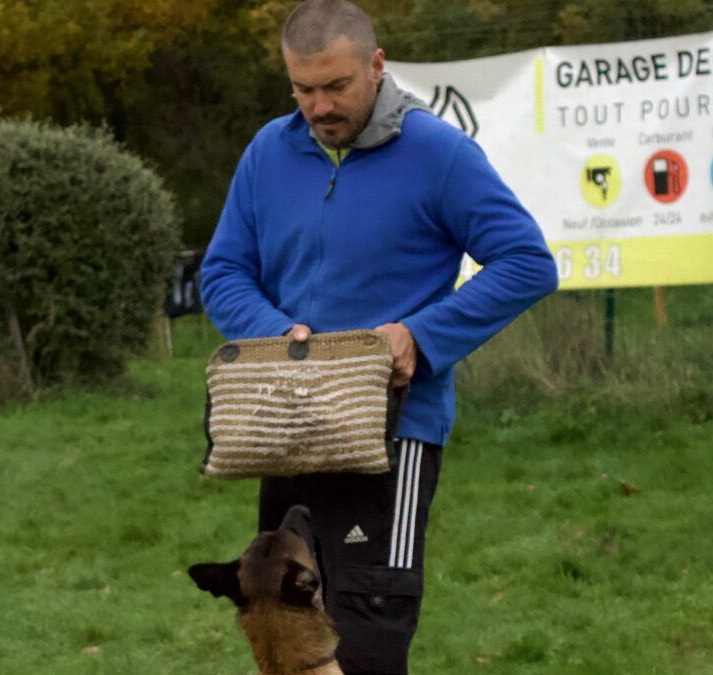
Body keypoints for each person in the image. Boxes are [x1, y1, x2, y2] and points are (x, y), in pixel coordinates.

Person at [199, 1, 558, 672]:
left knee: (365, 637)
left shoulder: (438, 153)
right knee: (286, 635)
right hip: (283, 427)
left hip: (392, 430)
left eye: (336, 86)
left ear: (376, 65)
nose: (319, 106)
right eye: (303, 89)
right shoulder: (267, 152)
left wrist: (420, 336)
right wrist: (281, 339)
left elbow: (527, 262)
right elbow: (222, 272)